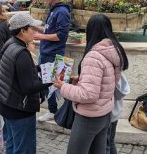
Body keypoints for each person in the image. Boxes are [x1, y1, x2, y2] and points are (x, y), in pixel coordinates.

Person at [53, 14, 126, 154]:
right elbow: (108, 81)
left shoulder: (93, 56)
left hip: (89, 116)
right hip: (104, 113)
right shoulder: (113, 50)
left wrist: (63, 86)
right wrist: (82, 79)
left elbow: (88, 95)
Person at [0, 13, 51, 154]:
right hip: (20, 109)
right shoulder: (22, 53)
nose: (35, 31)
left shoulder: (10, 43)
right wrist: (52, 79)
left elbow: (19, 71)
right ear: (22, 31)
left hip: (7, 104)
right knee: (24, 149)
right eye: (32, 28)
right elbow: (29, 87)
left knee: (12, 145)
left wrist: (42, 68)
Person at [34, 0, 71, 121]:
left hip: (53, 53)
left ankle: (54, 110)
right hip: (47, 52)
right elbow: (50, 31)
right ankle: (53, 109)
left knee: (54, 84)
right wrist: (36, 29)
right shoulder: (55, 9)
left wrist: (40, 36)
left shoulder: (62, 11)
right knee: (48, 83)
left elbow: (61, 36)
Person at [107, 73, 130, 154]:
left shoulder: (109, 70)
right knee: (110, 142)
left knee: (106, 144)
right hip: (114, 113)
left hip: (105, 114)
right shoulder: (118, 72)